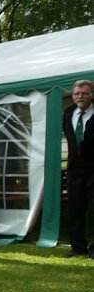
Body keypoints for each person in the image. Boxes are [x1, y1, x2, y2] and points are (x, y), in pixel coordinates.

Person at [62, 79, 94, 258]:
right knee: (74, 209)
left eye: (84, 93)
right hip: (74, 169)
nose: (80, 96)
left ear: (92, 95)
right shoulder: (68, 114)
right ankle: (77, 247)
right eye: (77, 94)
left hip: (93, 168)